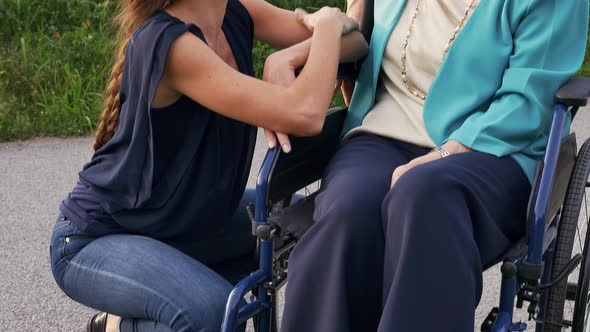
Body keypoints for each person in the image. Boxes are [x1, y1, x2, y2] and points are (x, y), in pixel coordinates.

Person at [48, 0, 368, 331]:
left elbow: (355, 41)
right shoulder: (171, 44)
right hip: (96, 237)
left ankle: (160, 304)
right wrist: (327, 29)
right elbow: (305, 113)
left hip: (179, 225)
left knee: (312, 224)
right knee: (211, 313)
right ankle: (118, 326)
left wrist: (287, 56)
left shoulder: (235, 10)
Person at [276, 0, 590, 331]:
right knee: (347, 213)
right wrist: (299, 52)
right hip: (384, 133)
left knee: (425, 195)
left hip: (495, 148)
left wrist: (446, 153)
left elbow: (529, 99)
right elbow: (360, 22)